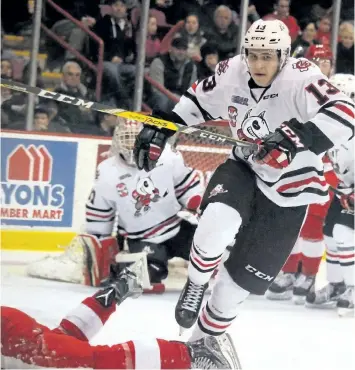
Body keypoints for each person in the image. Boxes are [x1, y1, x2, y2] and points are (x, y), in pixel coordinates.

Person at [133, 19, 354, 339]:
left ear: (284, 55)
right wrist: (164, 126)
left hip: (293, 188)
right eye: (253, 55)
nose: (258, 64)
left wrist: (293, 139)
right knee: (216, 221)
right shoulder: (231, 71)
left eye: (268, 56)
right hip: (246, 168)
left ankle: (203, 343)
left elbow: (345, 114)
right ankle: (196, 284)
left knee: (236, 290)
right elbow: (196, 102)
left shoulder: (303, 76)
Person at [28, 119, 204, 290]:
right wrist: (100, 243)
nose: (132, 145)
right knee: (147, 277)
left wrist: (198, 202)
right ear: (117, 140)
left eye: (136, 139)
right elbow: (99, 212)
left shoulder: (167, 157)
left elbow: (186, 185)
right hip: (141, 238)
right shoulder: (107, 171)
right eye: (127, 139)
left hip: (177, 229)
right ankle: (121, 267)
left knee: (209, 254)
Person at [2, 261, 241, 369]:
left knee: (91, 361)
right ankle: (117, 290)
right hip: (9, 329)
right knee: (67, 342)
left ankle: (195, 354)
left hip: (8, 338)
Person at [265, 44, 339, 303]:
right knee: (290, 220)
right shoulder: (297, 90)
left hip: (328, 165)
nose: (322, 64)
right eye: (317, 59)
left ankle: (308, 274)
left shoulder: (339, 89)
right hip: (295, 162)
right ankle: (288, 271)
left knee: (314, 222)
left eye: (326, 60)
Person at [305, 73, 355, 317]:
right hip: (346, 189)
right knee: (330, 234)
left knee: (344, 233)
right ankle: (337, 286)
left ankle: (353, 288)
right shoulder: (335, 125)